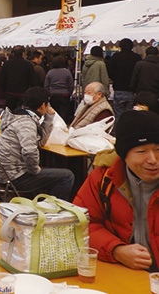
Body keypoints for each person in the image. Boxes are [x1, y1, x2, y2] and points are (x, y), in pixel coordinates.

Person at [74, 110, 159, 271]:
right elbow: (82, 223)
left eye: (158, 150)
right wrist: (116, 250)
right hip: (124, 273)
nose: (153, 159)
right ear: (123, 155)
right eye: (141, 151)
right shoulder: (104, 179)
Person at [0, 87, 74, 200]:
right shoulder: (26, 123)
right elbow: (29, 151)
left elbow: (40, 142)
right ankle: (49, 209)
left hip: (6, 172)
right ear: (43, 105)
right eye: (48, 105)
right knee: (67, 176)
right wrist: (35, 170)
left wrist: (49, 118)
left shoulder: (20, 115)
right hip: (15, 176)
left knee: (49, 170)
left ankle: (41, 203)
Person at [107, 38, 141, 118]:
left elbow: (109, 70)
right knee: (130, 114)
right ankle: (128, 129)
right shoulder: (137, 57)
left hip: (119, 88)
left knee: (118, 113)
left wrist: (115, 78)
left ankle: (119, 129)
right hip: (132, 90)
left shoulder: (116, 57)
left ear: (120, 46)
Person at [0, 46, 40, 110]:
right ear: (23, 54)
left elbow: (1, 79)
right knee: (22, 114)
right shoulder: (28, 65)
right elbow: (33, 81)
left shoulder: (7, 64)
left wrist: (5, 90)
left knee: (10, 113)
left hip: (10, 93)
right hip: (23, 94)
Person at [44, 56, 74, 124]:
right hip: (64, 94)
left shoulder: (50, 72)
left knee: (54, 113)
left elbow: (46, 85)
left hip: (53, 95)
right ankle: (63, 125)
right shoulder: (67, 72)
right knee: (63, 113)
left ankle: (55, 125)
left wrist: (49, 94)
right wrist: (69, 93)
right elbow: (71, 85)